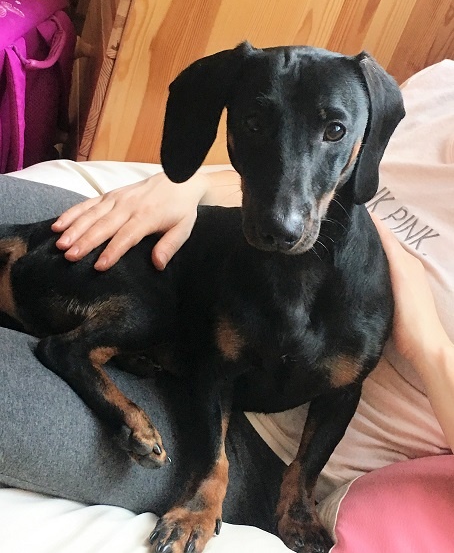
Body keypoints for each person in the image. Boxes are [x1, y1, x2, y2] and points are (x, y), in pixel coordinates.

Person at [0, 60, 453, 550]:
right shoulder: (441, 88)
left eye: (335, 131)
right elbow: (298, 151)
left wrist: (431, 348)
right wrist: (189, 184)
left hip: (254, 438)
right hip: (202, 278)